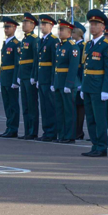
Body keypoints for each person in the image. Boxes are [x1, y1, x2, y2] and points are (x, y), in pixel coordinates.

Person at [80, 9, 108, 157]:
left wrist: (105, 90)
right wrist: (83, 85)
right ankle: (95, 145)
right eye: (91, 24)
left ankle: (102, 147)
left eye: (96, 24)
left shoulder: (107, 45)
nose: (92, 27)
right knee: (90, 118)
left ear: (103, 27)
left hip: (99, 86)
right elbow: (85, 67)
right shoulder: (88, 45)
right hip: (88, 85)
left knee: (99, 118)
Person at [52, 19, 80, 144]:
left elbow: (73, 67)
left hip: (68, 83)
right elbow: (56, 65)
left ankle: (70, 135)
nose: (59, 32)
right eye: (59, 29)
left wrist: (69, 84)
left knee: (69, 110)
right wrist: (55, 82)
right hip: (59, 81)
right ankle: (62, 134)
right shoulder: (60, 45)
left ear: (69, 31)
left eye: (61, 30)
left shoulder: (72, 46)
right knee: (59, 110)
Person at [35, 14, 58, 142]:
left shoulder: (53, 41)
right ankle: (46, 131)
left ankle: (52, 132)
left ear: (51, 26)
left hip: (48, 78)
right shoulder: (41, 41)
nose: (42, 26)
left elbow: (54, 62)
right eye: (41, 24)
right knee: (44, 107)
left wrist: (53, 80)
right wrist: (38, 78)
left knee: (50, 107)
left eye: (44, 24)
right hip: (42, 78)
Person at [0, 17, 21, 138]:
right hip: (5, 78)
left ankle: (13, 128)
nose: (6, 29)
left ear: (14, 28)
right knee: (7, 104)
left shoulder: (16, 44)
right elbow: (3, 64)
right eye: (5, 27)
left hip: (11, 78)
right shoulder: (6, 43)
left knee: (13, 104)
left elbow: (17, 64)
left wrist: (15, 80)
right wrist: (0, 79)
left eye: (8, 27)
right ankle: (9, 126)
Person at [17, 13, 40, 140]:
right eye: (23, 22)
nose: (24, 24)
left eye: (26, 22)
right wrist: (19, 75)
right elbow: (21, 60)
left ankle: (33, 131)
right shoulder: (24, 40)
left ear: (33, 25)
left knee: (32, 105)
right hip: (24, 76)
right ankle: (27, 130)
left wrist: (33, 76)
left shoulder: (34, 40)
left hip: (30, 76)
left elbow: (36, 60)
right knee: (25, 105)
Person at [72, 21, 87, 140]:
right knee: (75, 106)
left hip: (80, 79)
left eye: (74, 31)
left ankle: (79, 130)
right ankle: (76, 130)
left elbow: (82, 66)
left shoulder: (82, 46)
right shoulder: (76, 45)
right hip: (75, 79)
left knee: (80, 107)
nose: (72, 33)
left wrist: (81, 82)